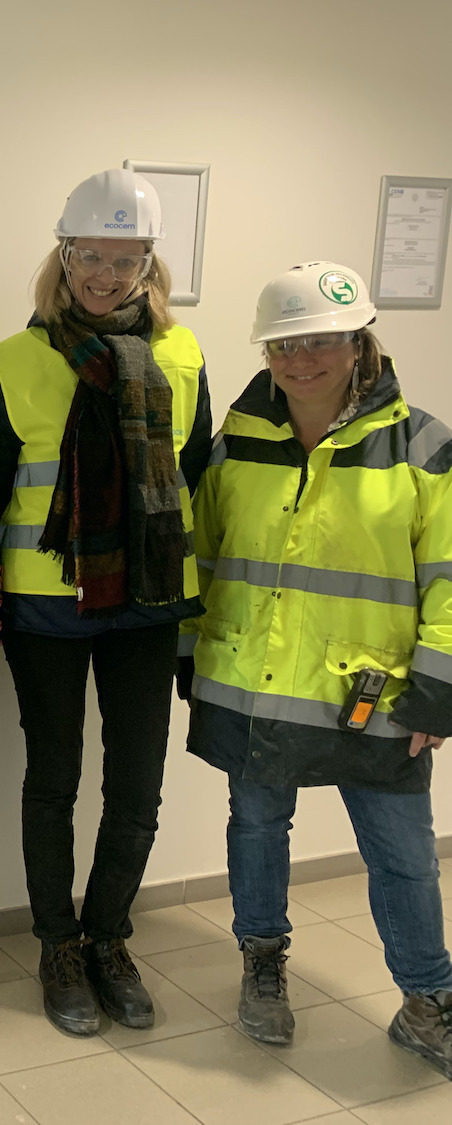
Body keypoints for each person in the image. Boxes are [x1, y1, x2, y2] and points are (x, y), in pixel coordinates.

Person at [184, 261, 452, 1077]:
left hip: (373, 699)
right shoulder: (236, 443)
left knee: (402, 853)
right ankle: (262, 965)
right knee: (258, 829)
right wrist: (190, 658)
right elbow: (204, 553)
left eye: (322, 341)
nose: (302, 360)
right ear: (267, 351)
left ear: (358, 340)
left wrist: (437, 698)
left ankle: (427, 1000)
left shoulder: (423, 445)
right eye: (284, 345)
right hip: (254, 686)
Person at [0, 169, 212, 1036]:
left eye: (128, 258)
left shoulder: (184, 356)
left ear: (151, 263)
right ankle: (57, 946)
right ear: (63, 255)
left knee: (139, 784)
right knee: (55, 780)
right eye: (90, 256)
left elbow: (194, 480)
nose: (107, 275)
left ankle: (109, 935)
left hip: (149, 602)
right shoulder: (12, 360)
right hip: (47, 608)